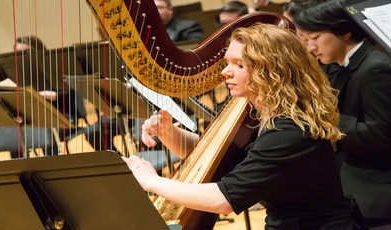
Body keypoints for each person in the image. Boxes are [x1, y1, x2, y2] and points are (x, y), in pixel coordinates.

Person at [123, 23, 359, 229]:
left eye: (239, 65)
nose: (226, 72)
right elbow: (226, 158)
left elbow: (223, 200)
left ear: (271, 70)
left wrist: (152, 181)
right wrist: (169, 132)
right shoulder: (260, 112)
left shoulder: (290, 129)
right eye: (228, 63)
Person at [293, 1, 391, 229]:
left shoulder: (376, 69)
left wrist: (324, 118)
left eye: (315, 38)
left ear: (345, 32)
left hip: (376, 191)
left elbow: (382, 137)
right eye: (306, 40)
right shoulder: (338, 65)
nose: (310, 48)